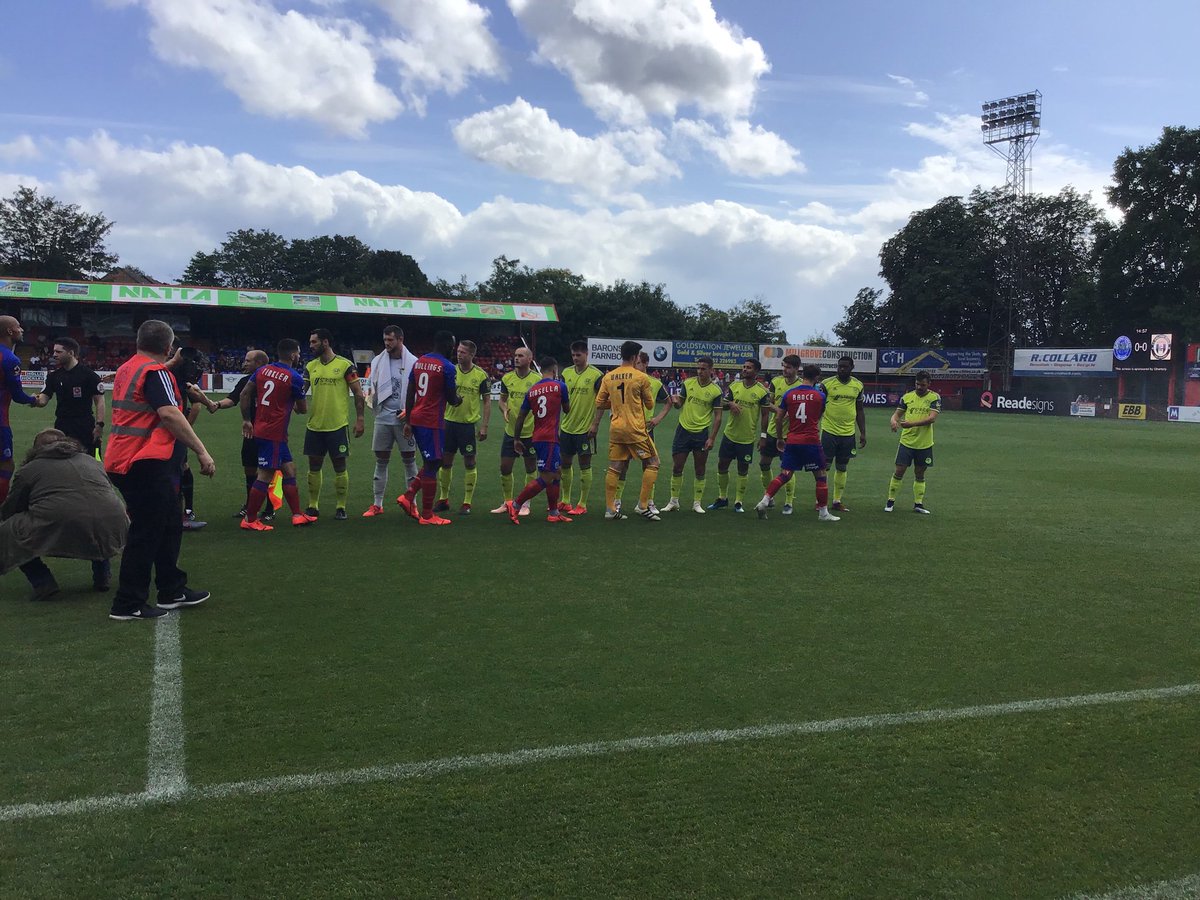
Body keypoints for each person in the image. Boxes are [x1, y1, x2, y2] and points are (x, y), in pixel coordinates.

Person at [105, 319, 216, 620]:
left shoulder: (130, 368)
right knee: (147, 531)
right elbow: (169, 414)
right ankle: (128, 603)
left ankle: (172, 588)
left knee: (168, 524)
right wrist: (201, 450)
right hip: (145, 461)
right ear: (168, 347)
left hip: (127, 457)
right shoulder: (156, 373)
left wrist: (171, 363)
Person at [1, 429, 126, 599]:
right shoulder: (92, 461)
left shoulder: (29, 469)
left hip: (63, 519)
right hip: (114, 519)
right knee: (96, 522)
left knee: (9, 530)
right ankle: (102, 573)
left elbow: (13, 506)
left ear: (36, 449)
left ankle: (42, 581)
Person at [239, 339, 317, 531]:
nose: (299, 356)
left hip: (263, 428)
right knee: (265, 475)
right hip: (273, 433)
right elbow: (302, 409)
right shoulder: (294, 377)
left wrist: (247, 419)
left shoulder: (262, 371)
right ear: (293, 355)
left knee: (289, 470)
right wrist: (295, 399)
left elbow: (244, 394)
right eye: (298, 353)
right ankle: (250, 519)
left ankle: (297, 515)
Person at [755, 364, 840, 523]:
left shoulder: (789, 394)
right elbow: (818, 415)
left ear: (803, 374)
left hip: (792, 440)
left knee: (785, 474)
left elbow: (778, 418)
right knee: (821, 475)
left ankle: (764, 501)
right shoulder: (820, 396)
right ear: (816, 378)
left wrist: (780, 438)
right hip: (811, 440)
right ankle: (823, 513)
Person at [588, 340, 661, 521]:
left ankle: (610, 509)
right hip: (635, 428)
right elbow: (650, 404)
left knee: (615, 467)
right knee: (654, 462)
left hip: (616, 428)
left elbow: (599, 403)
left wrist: (616, 402)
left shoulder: (609, 376)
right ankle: (642, 505)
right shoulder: (641, 377)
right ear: (635, 357)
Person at [396, 330, 461, 526]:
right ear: (447, 345)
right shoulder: (447, 367)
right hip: (431, 421)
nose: (453, 349)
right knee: (433, 463)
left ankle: (408, 496)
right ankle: (426, 514)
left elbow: (410, 392)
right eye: (453, 345)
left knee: (434, 461)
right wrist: (458, 399)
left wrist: (409, 420)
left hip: (417, 417)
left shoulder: (419, 362)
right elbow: (451, 398)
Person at [303, 328, 365, 520]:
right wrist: (296, 403)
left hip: (337, 426)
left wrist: (360, 419)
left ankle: (341, 507)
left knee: (340, 466)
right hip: (314, 425)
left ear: (326, 342)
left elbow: (358, 393)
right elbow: (301, 391)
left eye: (314, 342)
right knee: (314, 465)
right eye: (310, 342)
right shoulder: (310, 366)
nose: (311, 345)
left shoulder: (345, 365)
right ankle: (313, 505)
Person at [506, 357, 572, 523]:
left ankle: (554, 513)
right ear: (555, 370)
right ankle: (516, 504)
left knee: (556, 473)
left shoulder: (532, 390)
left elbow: (521, 417)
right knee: (547, 477)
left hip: (537, 436)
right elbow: (567, 409)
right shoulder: (560, 386)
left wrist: (516, 439)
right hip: (549, 438)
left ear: (541, 370)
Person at [362, 325, 419, 517]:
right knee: (381, 460)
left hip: (405, 419)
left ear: (400, 339)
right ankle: (377, 504)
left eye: (390, 340)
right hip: (383, 417)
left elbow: (419, 392)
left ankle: (412, 503)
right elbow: (371, 387)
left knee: (409, 461)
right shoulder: (377, 361)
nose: (386, 343)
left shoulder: (414, 362)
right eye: (385, 340)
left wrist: (410, 411)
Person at [210, 349, 270, 519]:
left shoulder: (272, 381)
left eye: (248, 361)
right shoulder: (245, 381)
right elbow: (232, 400)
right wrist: (217, 404)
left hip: (270, 433)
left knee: (269, 470)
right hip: (250, 432)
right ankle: (250, 505)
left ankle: (270, 508)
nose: (244, 363)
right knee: (250, 469)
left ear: (259, 363)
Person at [709, 358, 772, 513]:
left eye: (748, 367)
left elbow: (765, 415)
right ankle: (722, 498)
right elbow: (722, 404)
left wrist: (763, 436)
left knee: (742, 469)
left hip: (747, 438)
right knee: (722, 465)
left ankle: (738, 502)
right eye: (744, 367)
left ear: (756, 371)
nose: (744, 369)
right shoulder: (734, 386)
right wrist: (731, 403)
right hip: (729, 435)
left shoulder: (762, 391)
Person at [437, 339, 491, 514]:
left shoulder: (481, 375)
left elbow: (487, 402)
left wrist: (484, 426)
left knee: (469, 461)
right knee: (445, 461)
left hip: (467, 425)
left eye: (463, 352)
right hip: (448, 423)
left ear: (472, 354)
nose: (459, 354)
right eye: (458, 351)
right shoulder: (450, 370)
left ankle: (467, 502)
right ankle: (443, 499)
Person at [664, 357, 723, 513]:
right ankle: (674, 501)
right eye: (698, 368)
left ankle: (697, 503)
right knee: (677, 466)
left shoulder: (716, 391)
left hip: (701, 433)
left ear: (711, 370)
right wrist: (675, 401)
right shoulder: (688, 383)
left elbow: (718, 417)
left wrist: (712, 438)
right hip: (683, 430)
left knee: (700, 468)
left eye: (703, 369)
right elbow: (679, 404)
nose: (700, 371)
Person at [613, 350, 669, 514]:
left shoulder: (655, 383)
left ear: (646, 364)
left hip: (644, 431)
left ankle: (648, 502)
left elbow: (668, 402)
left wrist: (657, 419)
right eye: (634, 363)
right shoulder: (626, 380)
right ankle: (617, 501)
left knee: (649, 465)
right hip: (626, 429)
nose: (635, 366)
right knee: (622, 464)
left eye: (638, 363)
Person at [34, 338, 105, 456]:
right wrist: (33, 400)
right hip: (62, 425)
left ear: (71, 353)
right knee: (62, 459)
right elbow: (43, 399)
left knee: (88, 459)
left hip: (84, 425)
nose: (54, 355)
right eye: (54, 351)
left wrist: (99, 425)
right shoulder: (54, 376)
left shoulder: (89, 375)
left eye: (58, 352)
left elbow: (100, 401)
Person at [491, 346, 539, 516]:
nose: (516, 358)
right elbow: (502, 400)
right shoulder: (507, 378)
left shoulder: (537, 379)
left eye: (521, 356)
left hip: (530, 431)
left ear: (530, 359)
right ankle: (508, 502)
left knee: (530, 468)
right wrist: (504, 409)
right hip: (511, 431)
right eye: (515, 355)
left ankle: (525, 503)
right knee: (505, 467)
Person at [558, 340, 603, 515]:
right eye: (573, 355)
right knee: (565, 463)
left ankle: (582, 504)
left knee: (584, 464)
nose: (575, 358)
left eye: (579, 355)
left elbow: (602, 402)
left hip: (585, 429)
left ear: (586, 354)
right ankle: (565, 500)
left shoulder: (596, 375)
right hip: (566, 427)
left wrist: (595, 424)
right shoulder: (566, 373)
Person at [886, 371, 940, 514]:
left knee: (920, 473)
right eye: (917, 384)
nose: (919, 387)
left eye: (923, 385)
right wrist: (893, 421)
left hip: (924, 443)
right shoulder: (907, 397)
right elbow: (896, 414)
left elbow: (932, 418)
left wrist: (912, 424)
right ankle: (890, 501)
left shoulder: (934, 397)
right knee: (899, 471)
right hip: (907, 442)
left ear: (929, 384)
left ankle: (918, 504)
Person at [820, 356, 867, 513]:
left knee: (842, 466)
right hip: (829, 431)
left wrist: (863, 432)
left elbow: (859, 409)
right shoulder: (826, 384)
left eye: (845, 366)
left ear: (852, 367)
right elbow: (819, 407)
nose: (841, 369)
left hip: (848, 433)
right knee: (824, 467)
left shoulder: (858, 385)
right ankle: (820, 501)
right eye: (839, 366)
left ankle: (837, 500)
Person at [0, 315, 39, 505]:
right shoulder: (10, 359)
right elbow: (17, 395)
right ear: (9, 331)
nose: (22, 330)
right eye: (18, 326)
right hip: (0, 422)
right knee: (6, 464)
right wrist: (33, 400)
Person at [760, 354, 802, 515]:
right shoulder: (776, 381)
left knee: (788, 469)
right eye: (783, 366)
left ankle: (789, 502)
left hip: (791, 434)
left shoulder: (801, 385)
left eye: (788, 367)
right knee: (764, 463)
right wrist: (779, 410)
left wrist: (791, 413)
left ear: (797, 369)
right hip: (773, 431)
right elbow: (767, 403)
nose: (784, 369)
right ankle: (769, 496)